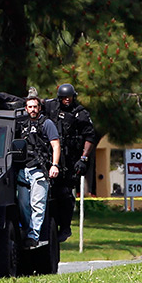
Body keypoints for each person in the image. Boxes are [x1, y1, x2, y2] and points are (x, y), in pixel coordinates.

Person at [44, 83, 97, 242]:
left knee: (65, 194)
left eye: (70, 97)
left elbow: (90, 137)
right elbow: (33, 104)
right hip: (51, 157)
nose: (67, 100)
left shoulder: (80, 114)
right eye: (64, 98)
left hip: (70, 160)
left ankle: (65, 227)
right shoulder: (50, 106)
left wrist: (83, 158)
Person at [16, 96, 61, 249]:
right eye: (30, 107)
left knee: (37, 204)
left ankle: (33, 236)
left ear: (39, 108)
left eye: (35, 106)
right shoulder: (21, 124)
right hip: (23, 169)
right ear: (26, 108)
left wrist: (54, 165)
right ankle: (27, 232)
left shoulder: (47, 123)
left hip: (39, 169)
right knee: (23, 204)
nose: (33, 109)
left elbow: (55, 145)